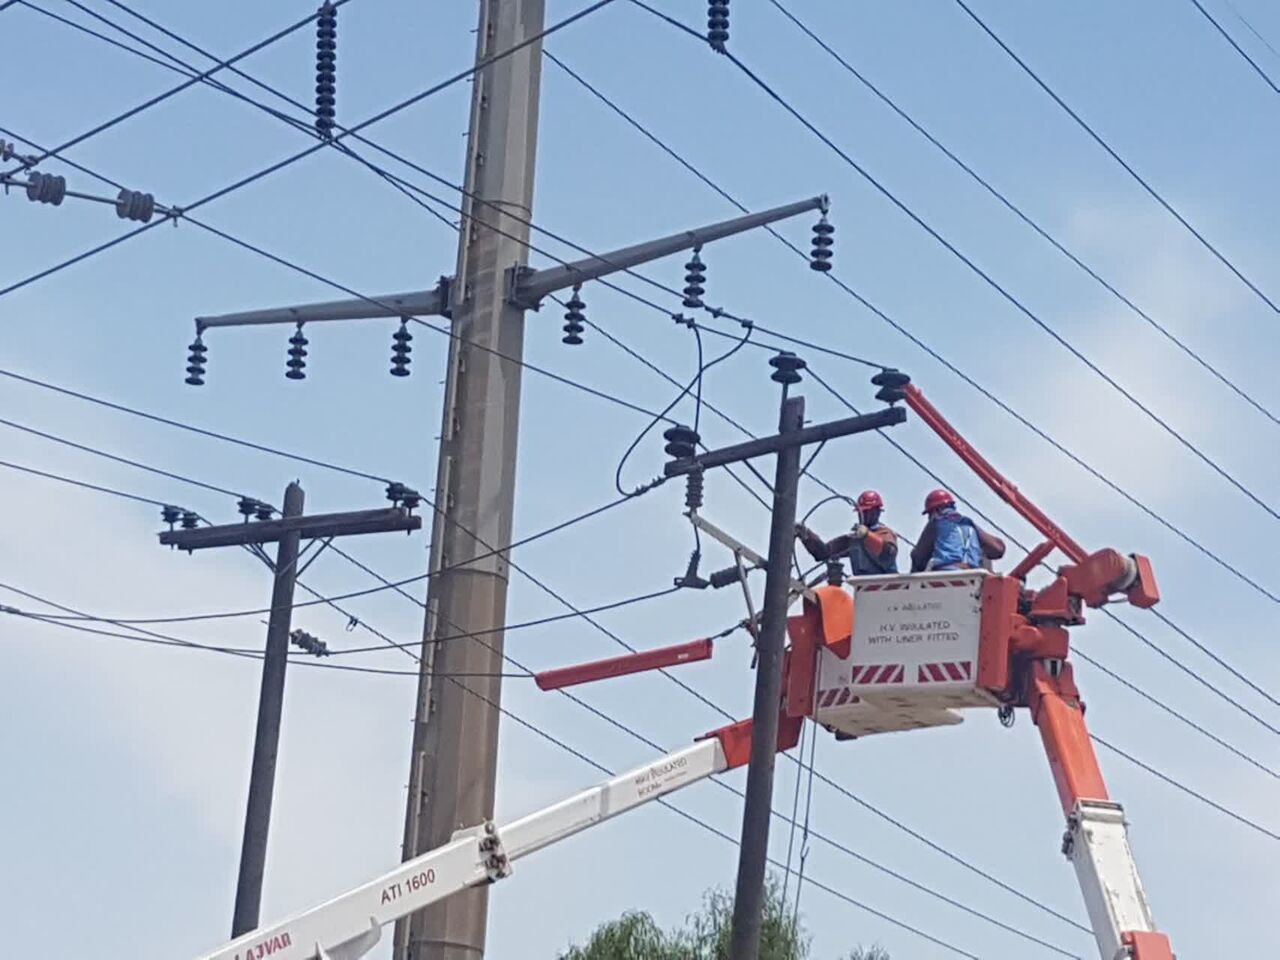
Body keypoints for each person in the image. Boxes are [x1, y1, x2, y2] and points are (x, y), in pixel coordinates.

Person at [795, 490, 899, 577]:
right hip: (863, 591)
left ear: (877, 512)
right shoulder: (854, 541)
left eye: (867, 511)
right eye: (861, 512)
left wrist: (867, 535)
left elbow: (888, 554)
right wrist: (805, 534)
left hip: (890, 590)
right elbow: (824, 552)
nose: (863, 515)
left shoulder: (885, 533)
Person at [910, 489, 1006, 572]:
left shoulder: (937, 522)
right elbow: (999, 549)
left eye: (929, 514)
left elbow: (918, 557)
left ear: (937, 510)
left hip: (946, 576)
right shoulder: (969, 525)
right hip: (972, 576)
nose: (929, 518)